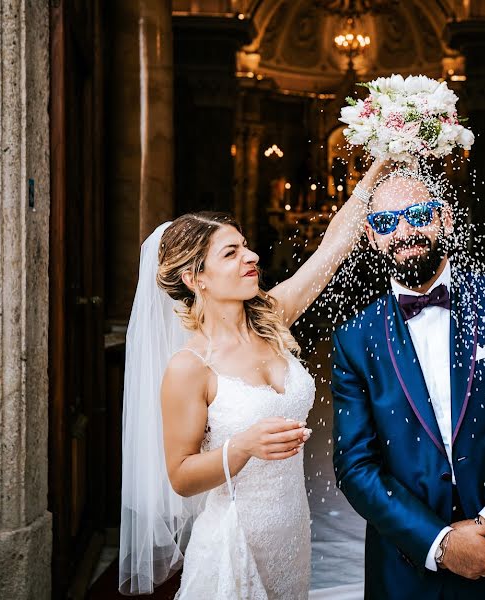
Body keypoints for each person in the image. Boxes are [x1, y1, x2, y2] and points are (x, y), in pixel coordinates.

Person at [119, 158, 391, 598]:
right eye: (231, 253)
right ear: (194, 277)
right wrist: (242, 446)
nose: (252, 256)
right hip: (233, 540)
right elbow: (181, 475)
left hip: (291, 534)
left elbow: (332, 250)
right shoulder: (190, 367)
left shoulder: (274, 316)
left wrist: (374, 173)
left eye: (246, 246)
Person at [331, 172, 485, 599]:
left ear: (445, 218)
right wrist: (441, 544)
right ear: (372, 237)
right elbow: (355, 467)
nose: (405, 231)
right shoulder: (355, 338)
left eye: (418, 215)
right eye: (388, 223)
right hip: (411, 567)